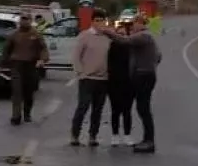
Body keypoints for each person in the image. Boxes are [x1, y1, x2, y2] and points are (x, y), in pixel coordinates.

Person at [100, 16, 161, 153]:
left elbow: (124, 41)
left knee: (143, 109)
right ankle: (147, 139)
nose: (132, 27)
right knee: (142, 108)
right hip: (145, 74)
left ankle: (149, 141)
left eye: (134, 24)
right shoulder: (146, 37)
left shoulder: (143, 36)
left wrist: (107, 31)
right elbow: (159, 56)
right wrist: (150, 63)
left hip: (143, 75)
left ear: (141, 24)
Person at [69, 11, 112, 147]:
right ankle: (75, 135)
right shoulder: (85, 36)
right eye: (97, 20)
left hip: (103, 80)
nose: (99, 23)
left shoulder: (108, 37)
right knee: (83, 107)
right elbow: (76, 56)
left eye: (102, 20)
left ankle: (93, 136)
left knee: (97, 110)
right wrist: (80, 73)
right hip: (87, 78)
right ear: (92, 21)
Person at [1, 17, 48, 125]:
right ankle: (16, 116)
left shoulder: (36, 34)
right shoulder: (14, 34)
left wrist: (42, 59)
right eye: (22, 19)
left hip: (31, 66)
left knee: (29, 92)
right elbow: (6, 50)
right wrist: (2, 64)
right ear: (19, 21)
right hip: (17, 66)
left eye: (26, 19)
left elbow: (43, 48)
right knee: (17, 92)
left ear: (30, 21)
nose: (24, 21)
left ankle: (27, 113)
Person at [105, 21, 134, 146]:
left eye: (123, 34)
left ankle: (127, 135)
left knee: (127, 110)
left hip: (129, 82)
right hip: (114, 82)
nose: (121, 36)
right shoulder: (111, 47)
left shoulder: (131, 46)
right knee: (115, 110)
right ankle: (115, 135)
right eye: (119, 34)